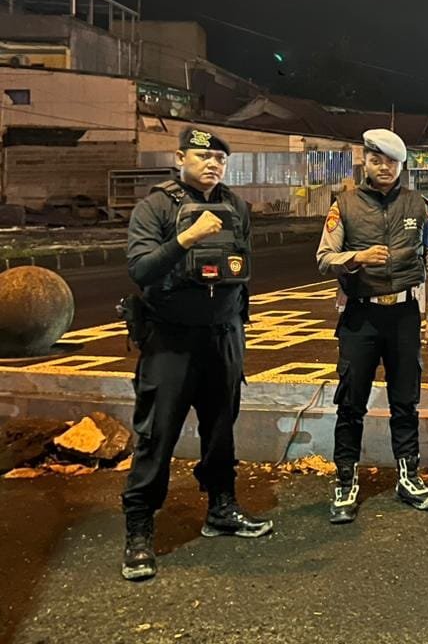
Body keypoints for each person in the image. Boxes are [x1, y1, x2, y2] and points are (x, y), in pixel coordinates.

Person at [120, 126, 271, 581]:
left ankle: (221, 508)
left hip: (223, 336)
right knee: (157, 434)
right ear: (180, 157)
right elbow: (141, 269)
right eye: (203, 156)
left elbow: (241, 265)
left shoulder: (236, 206)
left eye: (220, 159)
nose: (212, 165)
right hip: (170, 340)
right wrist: (186, 239)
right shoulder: (155, 207)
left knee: (221, 428)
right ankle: (139, 528)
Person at [316, 128, 428, 524]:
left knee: (405, 400)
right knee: (351, 402)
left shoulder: (420, 206)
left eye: (391, 161)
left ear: (401, 165)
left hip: (404, 316)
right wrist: (356, 258)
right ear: (366, 161)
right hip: (361, 316)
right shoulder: (344, 205)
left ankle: (408, 476)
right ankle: (346, 480)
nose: (384, 167)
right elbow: (324, 258)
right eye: (376, 160)